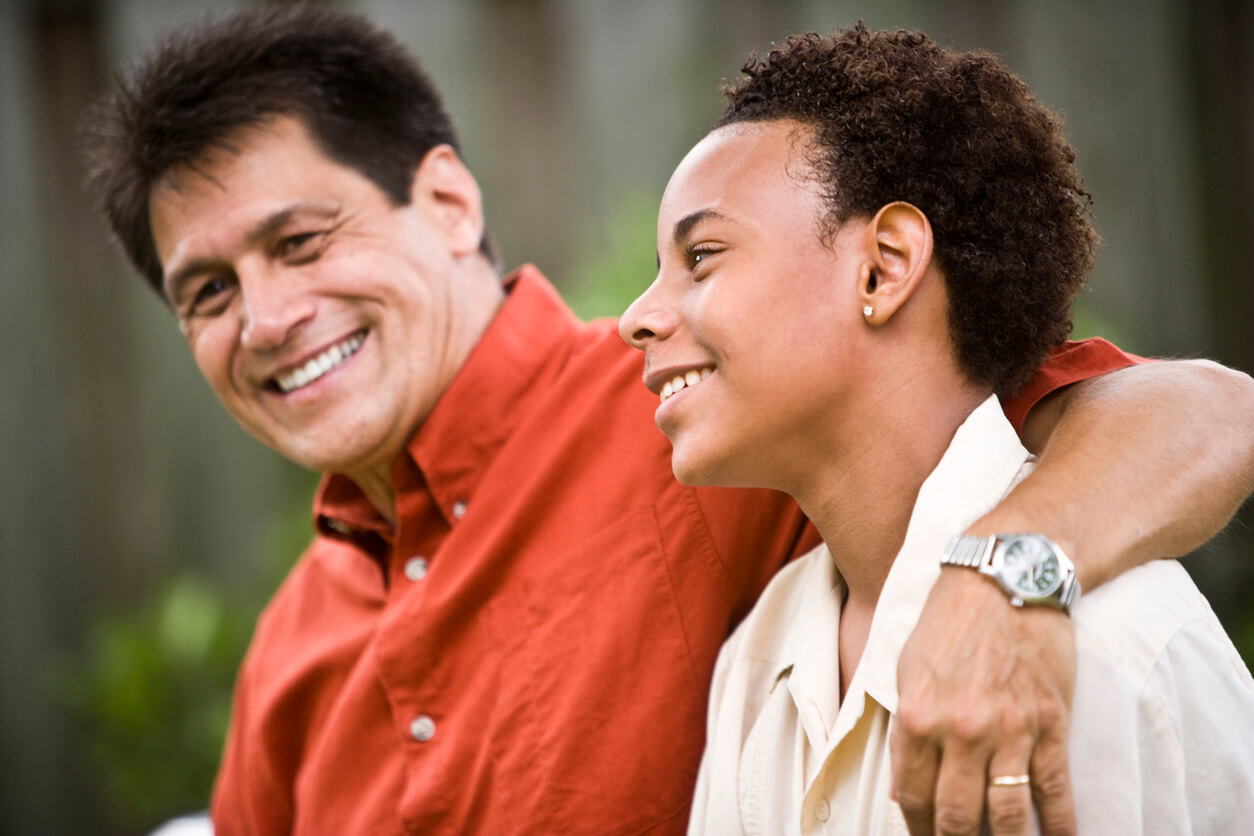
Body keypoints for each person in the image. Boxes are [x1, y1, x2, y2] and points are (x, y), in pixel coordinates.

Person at [80, 7, 1254, 835]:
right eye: (210, 292)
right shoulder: (288, 653)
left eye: (300, 241)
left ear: (444, 201)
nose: (270, 316)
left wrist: (1004, 578)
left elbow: (1202, 411)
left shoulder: (698, 418)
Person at [620, 25, 1254, 835]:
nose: (636, 318)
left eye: (702, 256)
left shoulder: (1099, 657)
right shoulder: (759, 661)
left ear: (883, 267)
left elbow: (1218, 405)